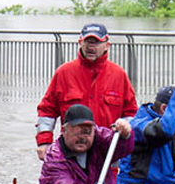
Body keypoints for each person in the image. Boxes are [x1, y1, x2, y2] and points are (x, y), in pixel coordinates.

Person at [34, 23, 138, 160]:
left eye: (96, 42)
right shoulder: (63, 73)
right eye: (87, 42)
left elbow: (131, 114)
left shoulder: (119, 75)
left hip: (107, 156)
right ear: (80, 42)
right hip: (71, 155)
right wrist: (44, 142)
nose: (91, 47)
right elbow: (47, 111)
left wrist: (125, 132)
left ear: (107, 45)